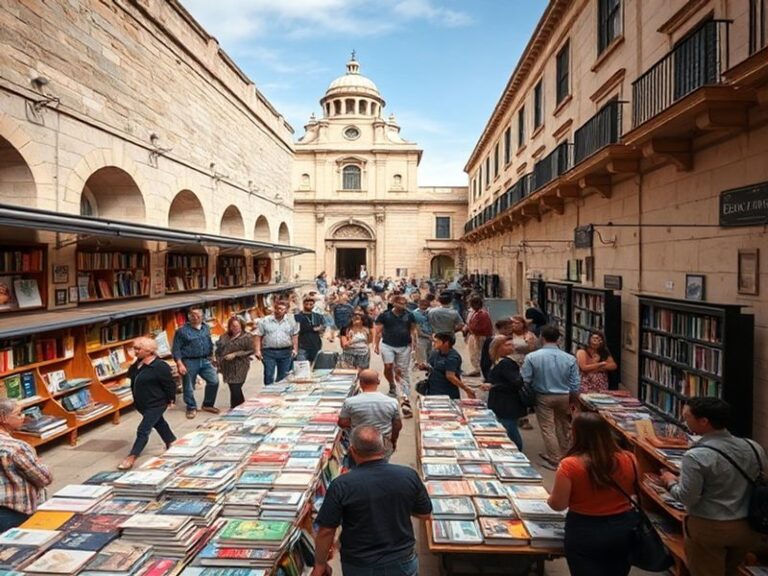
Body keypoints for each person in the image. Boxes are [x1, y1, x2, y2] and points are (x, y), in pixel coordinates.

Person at [659, 397, 765, 576]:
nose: (684, 421)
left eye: (687, 417)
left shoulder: (696, 456)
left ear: (704, 421)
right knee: (731, 571)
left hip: (710, 526)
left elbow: (687, 497)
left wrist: (669, 482)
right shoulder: (754, 447)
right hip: (748, 526)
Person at [312, 426, 432, 576]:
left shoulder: (341, 485)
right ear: (383, 448)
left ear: (352, 450)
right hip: (402, 560)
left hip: (359, 564)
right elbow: (425, 514)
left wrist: (320, 564)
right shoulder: (408, 475)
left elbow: (326, 531)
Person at [547, 412, 640, 576]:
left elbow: (558, 504)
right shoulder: (629, 458)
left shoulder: (570, 465)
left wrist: (549, 497)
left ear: (577, 434)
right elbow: (634, 491)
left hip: (585, 528)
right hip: (623, 527)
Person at [521, 325, 580, 470]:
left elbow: (526, 379)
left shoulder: (532, 357)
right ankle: (566, 454)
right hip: (564, 395)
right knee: (563, 424)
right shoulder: (570, 358)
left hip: (543, 395)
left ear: (542, 338)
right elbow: (575, 382)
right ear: (559, 339)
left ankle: (554, 458)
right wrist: (574, 399)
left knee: (548, 428)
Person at [119, 337, 177, 470]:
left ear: (149, 351)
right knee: (159, 423)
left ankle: (132, 456)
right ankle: (171, 441)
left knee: (143, 429)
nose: (135, 351)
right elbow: (130, 377)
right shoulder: (137, 364)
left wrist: (171, 399)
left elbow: (169, 384)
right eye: (134, 348)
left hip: (156, 403)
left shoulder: (160, 366)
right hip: (142, 404)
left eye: (138, 349)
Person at [0, 399, 53, 530]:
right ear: (3, 417)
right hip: (15, 513)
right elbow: (44, 478)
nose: (23, 416)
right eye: (18, 414)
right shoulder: (16, 448)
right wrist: (39, 463)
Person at [338, 370, 402, 458]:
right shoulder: (392, 402)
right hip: (382, 442)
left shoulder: (350, 402)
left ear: (360, 383)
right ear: (378, 382)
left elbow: (342, 423)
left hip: (360, 443)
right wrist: (393, 441)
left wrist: (356, 424)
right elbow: (397, 425)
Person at [171, 307, 219, 419]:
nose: (196, 317)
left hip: (205, 360)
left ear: (202, 316)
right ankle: (191, 407)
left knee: (214, 381)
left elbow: (209, 342)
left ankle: (208, 404)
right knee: (188, 386)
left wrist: (212, 357)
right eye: (193, 315)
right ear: (189, 316)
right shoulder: (182, 331)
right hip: (189, 361)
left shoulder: (206, 328)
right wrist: (179, 363)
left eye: (198, 315)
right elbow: (176, 349)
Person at [374, 295, 418, 414]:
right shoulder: (385, 315)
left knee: (402, 370)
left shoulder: (409, 315)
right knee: (388, 366)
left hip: (404, 346)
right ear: (394, 303)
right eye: (400, 303)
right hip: (388, 344)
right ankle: (392, 385)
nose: (403, 305)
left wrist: (414, 342)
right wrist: (376, 344)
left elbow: (413, 329)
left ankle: (405, 394)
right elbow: (378, 331)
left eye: (404, 303)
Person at [485, 335, 527, 450]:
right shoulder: (498, 361)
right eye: (507, 344)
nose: (511, 347)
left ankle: (518, 452)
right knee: (506, 430)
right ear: (498, 347)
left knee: (510, 430)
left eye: (512, 344)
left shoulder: (507, 363)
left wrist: (494, 386)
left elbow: (517, 383)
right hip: (501, 403)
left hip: (507, 404)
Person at [417, 332, 476, 400]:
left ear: (446, 343)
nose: (433, 344)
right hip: (433, 389)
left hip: (447, 391)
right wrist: (424, 367)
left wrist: (466, 389)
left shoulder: (453, 357)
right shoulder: (435, 353)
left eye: (436, 341)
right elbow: (431, 366)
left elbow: (450, 376)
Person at [254, 300, 299, 385]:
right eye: (277, 308)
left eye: (282, 309)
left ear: (286, 310)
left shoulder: (291, 322)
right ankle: (268, 393)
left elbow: (294, 335)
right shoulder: (264, 321)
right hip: (268, 352)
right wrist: (257, 350)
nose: (279, 311)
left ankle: (280, 394)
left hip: (286, 352)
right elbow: (258, 335)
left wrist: (295, 349)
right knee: (269, 374)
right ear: (274, 308)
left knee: (283, 376)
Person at [215, 317, 255, 409]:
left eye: (237, 326)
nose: (234, 328)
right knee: (232, 388)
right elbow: (218, 350)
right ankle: (234, 408)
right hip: (227, 367)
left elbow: (250, 350)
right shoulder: (224, 336)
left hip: (240, 366)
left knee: (236, 387)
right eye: (232, 326)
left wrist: (235, 354)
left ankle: (241, 407)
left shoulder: (247, 337)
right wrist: (217, 360)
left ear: (241, 326)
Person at [509, 315, 539, 431]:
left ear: (523, 324)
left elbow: (532, 348)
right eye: (512, 323)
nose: (514, 325)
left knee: (523, 391)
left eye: (517, 323)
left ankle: (523, 417)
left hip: (524, 365)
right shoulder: (507, 335)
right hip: (510, 364)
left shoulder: (529, 335)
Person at [464, 295, 493, 377]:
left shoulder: (483, 314)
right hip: (474, 335)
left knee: (479, 353)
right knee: (474, 353)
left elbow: (481, 327)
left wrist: (470, 328)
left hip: (480, 336)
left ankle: (481, 371)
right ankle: (477, 369)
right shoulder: (474, 313)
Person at [295, 296, 325, 364]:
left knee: (315, 366)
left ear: (313, 305)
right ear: (303, 304)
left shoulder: (317, 316)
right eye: (307, 304)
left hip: (315, 345)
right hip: (302, 345)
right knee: (302, 367)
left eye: (311, 304)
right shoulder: (298, 316)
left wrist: (320, 329)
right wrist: (313, 329)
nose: (309, 306)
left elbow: (322, 327)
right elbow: (298, 329)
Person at [412, 298, 433, 366]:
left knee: (429, 353)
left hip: (429, 334)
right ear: (419, 305)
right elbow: (417, 330)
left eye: (426, 306)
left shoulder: (429, 312)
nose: (424, 308)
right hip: (421, 336)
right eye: (423, 306)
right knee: (422, 355)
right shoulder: (415, 314)